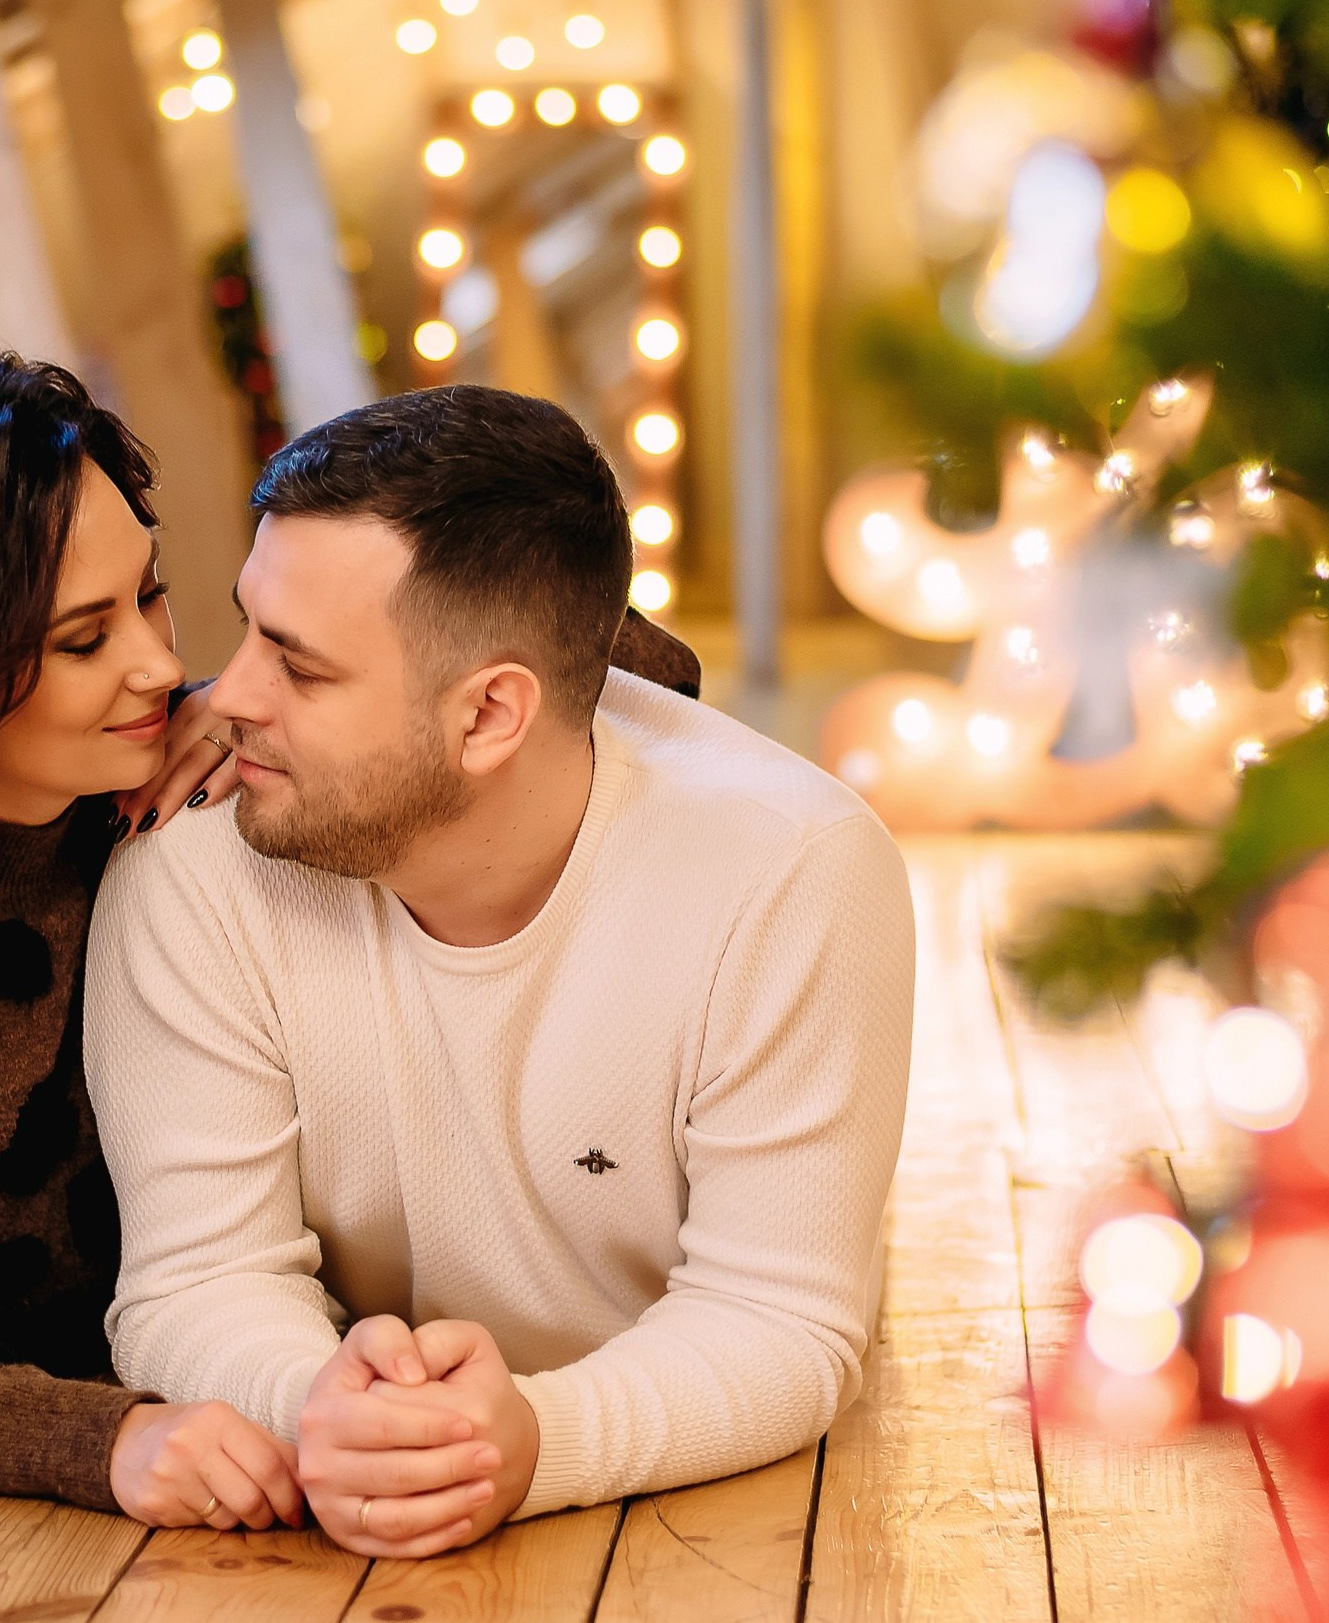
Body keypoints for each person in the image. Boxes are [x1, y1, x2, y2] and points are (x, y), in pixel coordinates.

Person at [0, 338, 705, 1525]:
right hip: (39, 1399)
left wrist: (273, 701)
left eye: (149, 593)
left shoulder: (178, 759)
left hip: (276, 1343)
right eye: (82, 640)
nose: (158, 662)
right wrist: (104, 1440)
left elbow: (634, 663)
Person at [84, 384, 917, 1560]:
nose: (228, 699)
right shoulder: (194, 860)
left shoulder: (796, 871)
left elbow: (780, 1314)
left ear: (489, 715)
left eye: (300, 666)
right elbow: (193, 1277)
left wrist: (534, 1440)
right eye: (247, 627)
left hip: (717, 1540)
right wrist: (326, 1404)